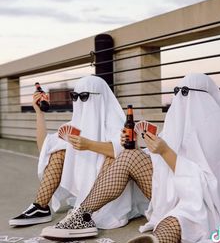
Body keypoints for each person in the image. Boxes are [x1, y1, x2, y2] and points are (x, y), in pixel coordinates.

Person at [41, 73, 220, 243]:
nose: (179, 98)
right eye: (177, 92)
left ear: (203, 95)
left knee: (175, 222)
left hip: (204, 204)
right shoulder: (180, 121)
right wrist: (141, 145)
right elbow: (158, 163)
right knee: (129, 156)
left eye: (184, 93)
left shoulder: (219, 130)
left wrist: (165, 151)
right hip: (169, 192)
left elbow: (207, 186)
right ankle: (82, 215)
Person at [9, 75, 148, 230]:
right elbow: (45, 149)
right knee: (59, 151)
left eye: (84, 97)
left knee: (112, 156)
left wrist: (88, 145)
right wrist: (39, 114)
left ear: (99, 97)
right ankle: (40, 206)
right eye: (74, 96)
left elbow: (126, 154)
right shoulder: (76, 124)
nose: (79, 102)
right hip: (86, 182)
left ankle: (87, 211)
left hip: (111, 190)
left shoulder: (117, 123)